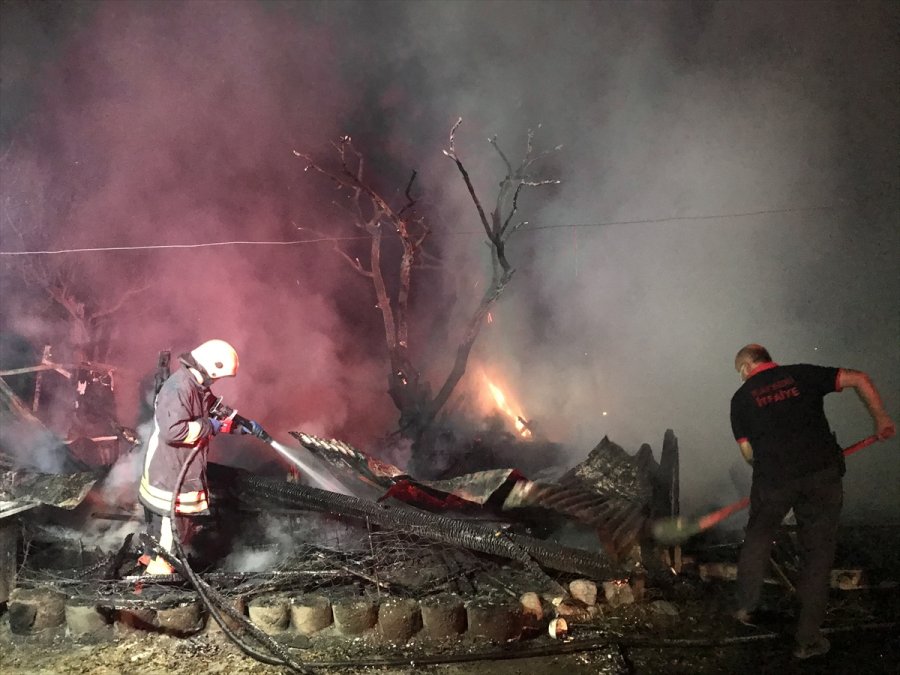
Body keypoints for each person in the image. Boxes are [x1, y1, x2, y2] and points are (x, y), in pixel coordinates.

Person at [729, 344, 895, 659]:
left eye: (740, 372)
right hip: (821, 475)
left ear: (746, 367)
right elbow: (859, 378)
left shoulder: (740, 399)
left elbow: (748, 452)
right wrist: (882, 418)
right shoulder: (801, 374)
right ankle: (807, 640)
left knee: (757, 539)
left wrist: (770, 468)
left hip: (773, 481)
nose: (741, 377)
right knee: (817, 554)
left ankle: (746, 608)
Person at [138, 339, 260, 575]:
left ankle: (151, 563)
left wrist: (237, 424)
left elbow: (211, 411)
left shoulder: (196, 385)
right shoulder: (179, 389)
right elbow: (175, 431)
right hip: (168, 478)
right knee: (167, 543)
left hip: (176, 474)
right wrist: (210, 426)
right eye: (219, 376)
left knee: (170, 536)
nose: (218, 381)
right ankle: (155, 591)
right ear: (210, 367)